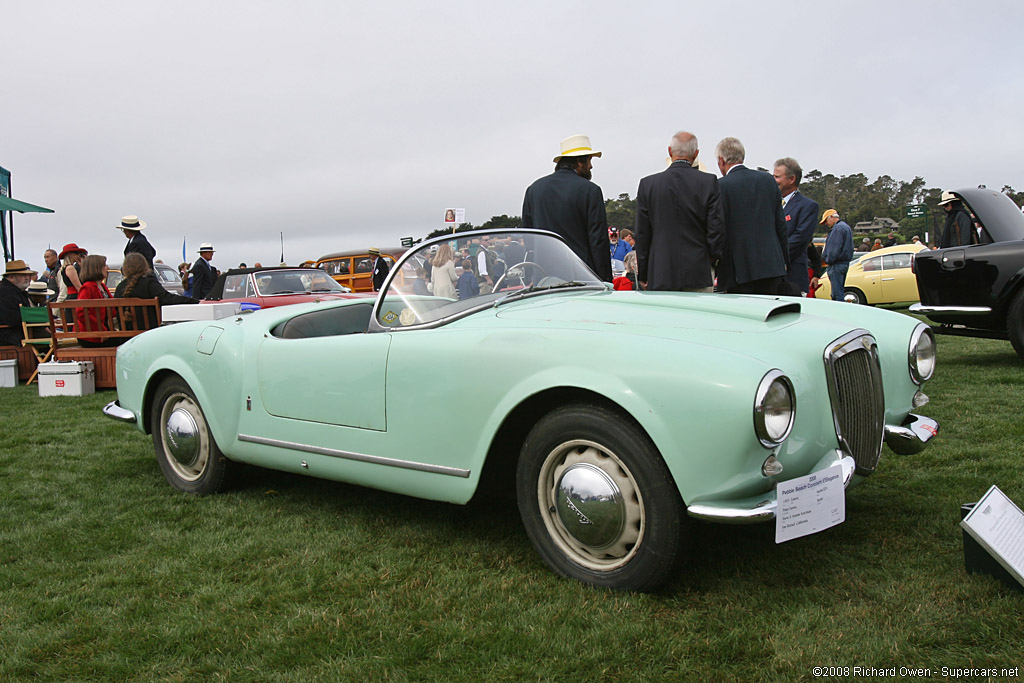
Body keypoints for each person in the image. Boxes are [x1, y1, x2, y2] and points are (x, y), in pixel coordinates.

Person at [635, 131, 725, 292]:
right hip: (698, 269)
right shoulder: (708, 182)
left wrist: (643, 273)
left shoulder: (648, 185)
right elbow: (716, 230)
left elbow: (642, 235)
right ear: (696, 154)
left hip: (660, 270)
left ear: (670, 151)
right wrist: (711, 259)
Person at [522, 134, 613, 281]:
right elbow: (598, 242)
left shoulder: (534, 189)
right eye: (589, 160)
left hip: (543, 277)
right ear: (579, 162)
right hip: (582, 278)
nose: (591, 166)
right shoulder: (590, 190)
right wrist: (606, 281)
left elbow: (529, 239)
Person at [715, 137, 788, 294]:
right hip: (771, 266)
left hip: (737, 270)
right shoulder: (768, 181)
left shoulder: (720, 186)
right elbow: (780, 225)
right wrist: (783, 261)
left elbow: (719, 230)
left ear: (721, 160)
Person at [773, 157, 819, 295]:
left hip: (793, 276)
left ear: (792, 179)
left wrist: (774, 256)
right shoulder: (769, 203)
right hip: (770, 277)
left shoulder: (808, 206)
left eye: (777, 176)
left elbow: (800, 238)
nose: (773, 180)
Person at [115, 253, 198, 328]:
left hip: (125, 338)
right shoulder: (149, 284)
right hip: (149, 334)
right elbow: (167, 298)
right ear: (144, 266)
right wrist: (194, 301)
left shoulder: (119, 288)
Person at [75, 254, 120, 348]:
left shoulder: (102, 286)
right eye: (104, 265)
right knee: (127, 341)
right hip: (91, 336)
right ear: (96, 268)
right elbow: (81, 312)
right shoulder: (88, 287)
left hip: (104, 332)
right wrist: (101, 331)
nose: (107, 268)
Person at [819, 209, 854, 302]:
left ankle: (839, 313)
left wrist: (828, 260)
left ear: (831, 217)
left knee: (836, 294)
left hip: (836, 265)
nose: (826, 223)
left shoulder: (837, 229)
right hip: (844, 263)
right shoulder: (846, 227)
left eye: (826, 220)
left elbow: (834, 249)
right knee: (840, 291)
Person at [0, 260, 35, 346]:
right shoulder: (6, 292)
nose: (28, 278)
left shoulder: (17, 291)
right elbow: (12, 318)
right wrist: (39, 320)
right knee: (52, 338)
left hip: (20, 332)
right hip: (10, 335)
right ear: (12, 277)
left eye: (29, 275)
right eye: (23, 275)